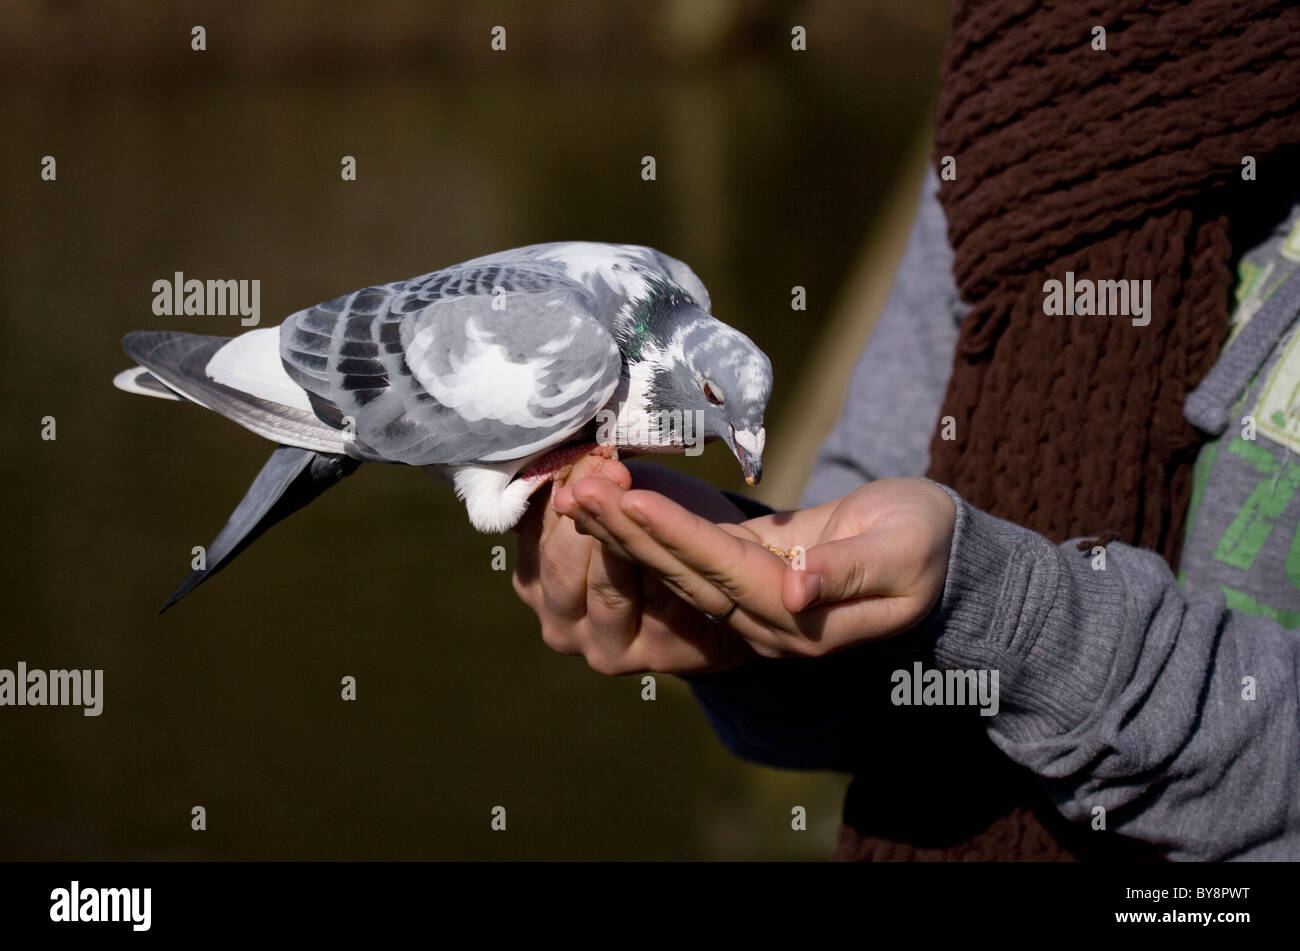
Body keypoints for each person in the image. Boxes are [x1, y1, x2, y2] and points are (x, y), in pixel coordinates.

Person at [514, 0, 1300, 860]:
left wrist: (1011, 621)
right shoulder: (1035, 64)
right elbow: (869, 655)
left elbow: (968, 596)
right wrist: (742, 625)